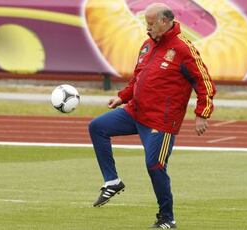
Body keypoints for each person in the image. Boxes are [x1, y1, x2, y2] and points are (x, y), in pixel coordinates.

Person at [88, 2, 216, 228]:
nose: (147, 28)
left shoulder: (184, 49)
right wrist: (122, 97)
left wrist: (202, 113)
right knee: (97, 127)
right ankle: (112, 181)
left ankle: (167, 218)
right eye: (145, 23)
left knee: (154, 165)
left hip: (161, 121)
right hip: (134, 112)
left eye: (151, 24)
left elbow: (203, 81)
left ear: (165, 22)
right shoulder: (147, 45)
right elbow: (138, 78)